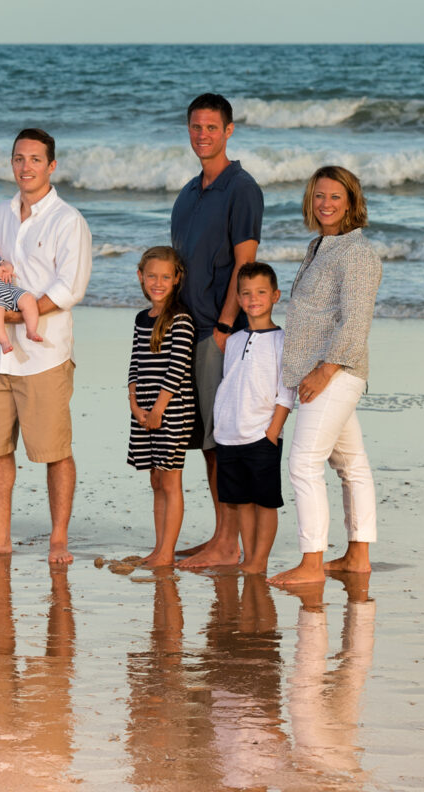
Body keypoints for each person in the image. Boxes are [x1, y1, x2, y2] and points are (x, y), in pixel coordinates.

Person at [0, 128, 92, 565]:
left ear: (51, 165)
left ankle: (58, 537)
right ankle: (0, 536)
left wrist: (22, 313)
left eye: (35, 159)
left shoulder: (68, 220)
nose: (26, 167)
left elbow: (70, 286)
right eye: (19, 158)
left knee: (55, 450)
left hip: (44, 355)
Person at [269, 166, 382, 586]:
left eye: (335, 196)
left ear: (351, 201)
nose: (326, 204)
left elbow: (355, 323)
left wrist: (324, 370)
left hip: (335, 372)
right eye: (319, 196)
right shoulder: (321, 245)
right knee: (351, 464)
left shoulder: (357, 253)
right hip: (321, 371)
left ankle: (312, 562)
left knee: (303, 463)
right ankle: (357, 557)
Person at [170, 93, 264, 568]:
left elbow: (245, 265)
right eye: (195, 127)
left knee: (223, 440)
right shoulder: (188, 192)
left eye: (211, 127)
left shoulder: (241, 188)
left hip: (219, 334)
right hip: (188, 333)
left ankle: (229, 544)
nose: (202, 135)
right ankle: (221, 536)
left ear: (229, 131)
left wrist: (226, 326)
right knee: (205, 441)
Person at [213, 262, 295, 574]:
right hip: (229, 435)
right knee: (241, 502)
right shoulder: (233, 340)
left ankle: (260, 560)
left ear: (275, 295)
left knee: (266, 502)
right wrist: (221, 424)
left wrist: (273, 432)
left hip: (262, 435)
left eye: (261, 292)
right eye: (246, 293)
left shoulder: (282, 340)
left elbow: (286, 390)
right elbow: (229, 385)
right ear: (238, 297)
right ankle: (249, 558)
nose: (253, 298)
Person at [126, 247, 196, 567]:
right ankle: (158, 548)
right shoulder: (143, 319)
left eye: (165, 276)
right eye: (151, 275)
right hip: (144, 410)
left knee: (170, 480)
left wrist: (158, 409)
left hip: (173, 410)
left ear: (176, 278)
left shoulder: (180, 319)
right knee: (155, 479)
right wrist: (135, 404)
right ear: (141, 276)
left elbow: (177, 367)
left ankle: (167, 553)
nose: (158, 282)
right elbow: (135, 364)